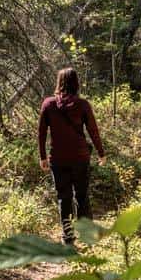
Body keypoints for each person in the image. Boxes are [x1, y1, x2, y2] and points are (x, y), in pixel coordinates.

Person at [38, 67, 106, 246]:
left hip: (58, 159)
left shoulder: (48, 104)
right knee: (82, 196)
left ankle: (68, 238)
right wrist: (101, 152)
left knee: (64, 197)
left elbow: (42, 133)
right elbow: (93, 130)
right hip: (80, 158)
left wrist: (43, 156)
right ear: (76, 83)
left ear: (59, 82)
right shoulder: (83, 105)